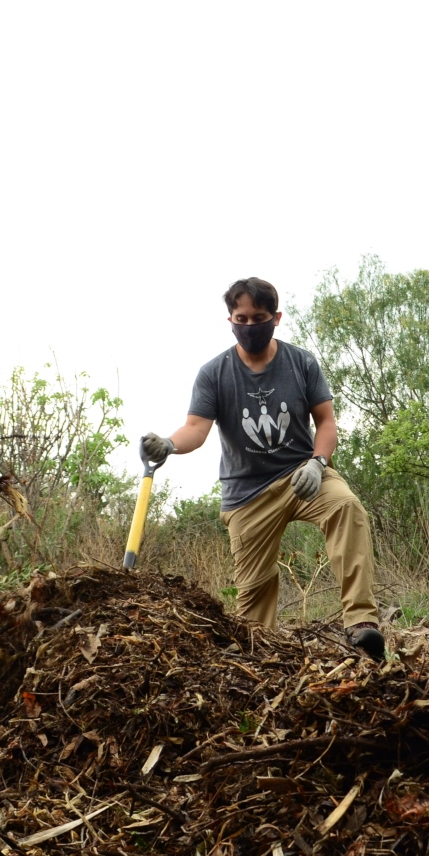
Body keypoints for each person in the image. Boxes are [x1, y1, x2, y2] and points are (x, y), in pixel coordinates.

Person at [141, 278, 385, 658]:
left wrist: (319, 464)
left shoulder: (301, 362)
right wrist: (170, 444)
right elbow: (195, 429)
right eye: (241, 318)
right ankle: (265, 663)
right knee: (252, 616)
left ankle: (362, 622)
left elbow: (326, 421)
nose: (249, 326)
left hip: (304, 476)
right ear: (230, 320)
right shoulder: (214, 373)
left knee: (346, 506)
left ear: (276, 318)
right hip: (247, 494)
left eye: (259, 317)